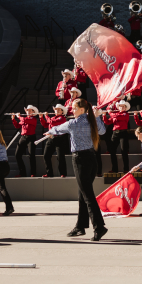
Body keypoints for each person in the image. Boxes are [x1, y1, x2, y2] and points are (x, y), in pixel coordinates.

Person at [46, 97, 108, 240]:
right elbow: (103, 131)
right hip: (92, 159)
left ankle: (99, 226)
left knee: (87, 195)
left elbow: (58, 128)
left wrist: (50, 132)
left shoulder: (74, 123)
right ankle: (80, 226)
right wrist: (98, 117)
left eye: (74, 108)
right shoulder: (92, 120)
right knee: (83, 193)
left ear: (82, 109)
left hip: (80, 160)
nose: (71, 110)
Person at [41, 103, 70, 178]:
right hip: (51, 138)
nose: (56, 110)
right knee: (46, 155)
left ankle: (63, 173)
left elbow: (53, 122)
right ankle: (49, 173)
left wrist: (46, 116)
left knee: (60, 156)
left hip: (59, 139)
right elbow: (45, 125)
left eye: (58, 109)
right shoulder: (53, 117)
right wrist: (41, 118)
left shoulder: (62, 118)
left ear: (62, 111)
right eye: (55, 109)